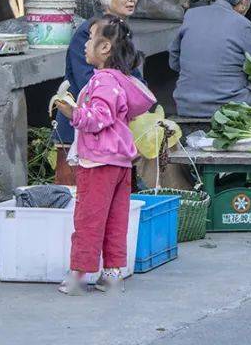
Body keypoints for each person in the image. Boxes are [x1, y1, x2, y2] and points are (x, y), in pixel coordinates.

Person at [53, 16, 155, 295]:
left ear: (105, 48)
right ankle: (111, 274)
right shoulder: (121, 81)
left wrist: (71, 112)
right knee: (115, 219)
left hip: (98, 161)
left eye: (90, 38)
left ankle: (78, 275)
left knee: (88, 219)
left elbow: (99, 117)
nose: (85, 44)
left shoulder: (103, 82)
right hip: (120, 163)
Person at [55, 0, 141, 184]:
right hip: (81, 132)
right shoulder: (88, 32)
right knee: (78, 199)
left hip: (112, 132)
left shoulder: (122, 32)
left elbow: (137, 79)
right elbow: (90, 84)